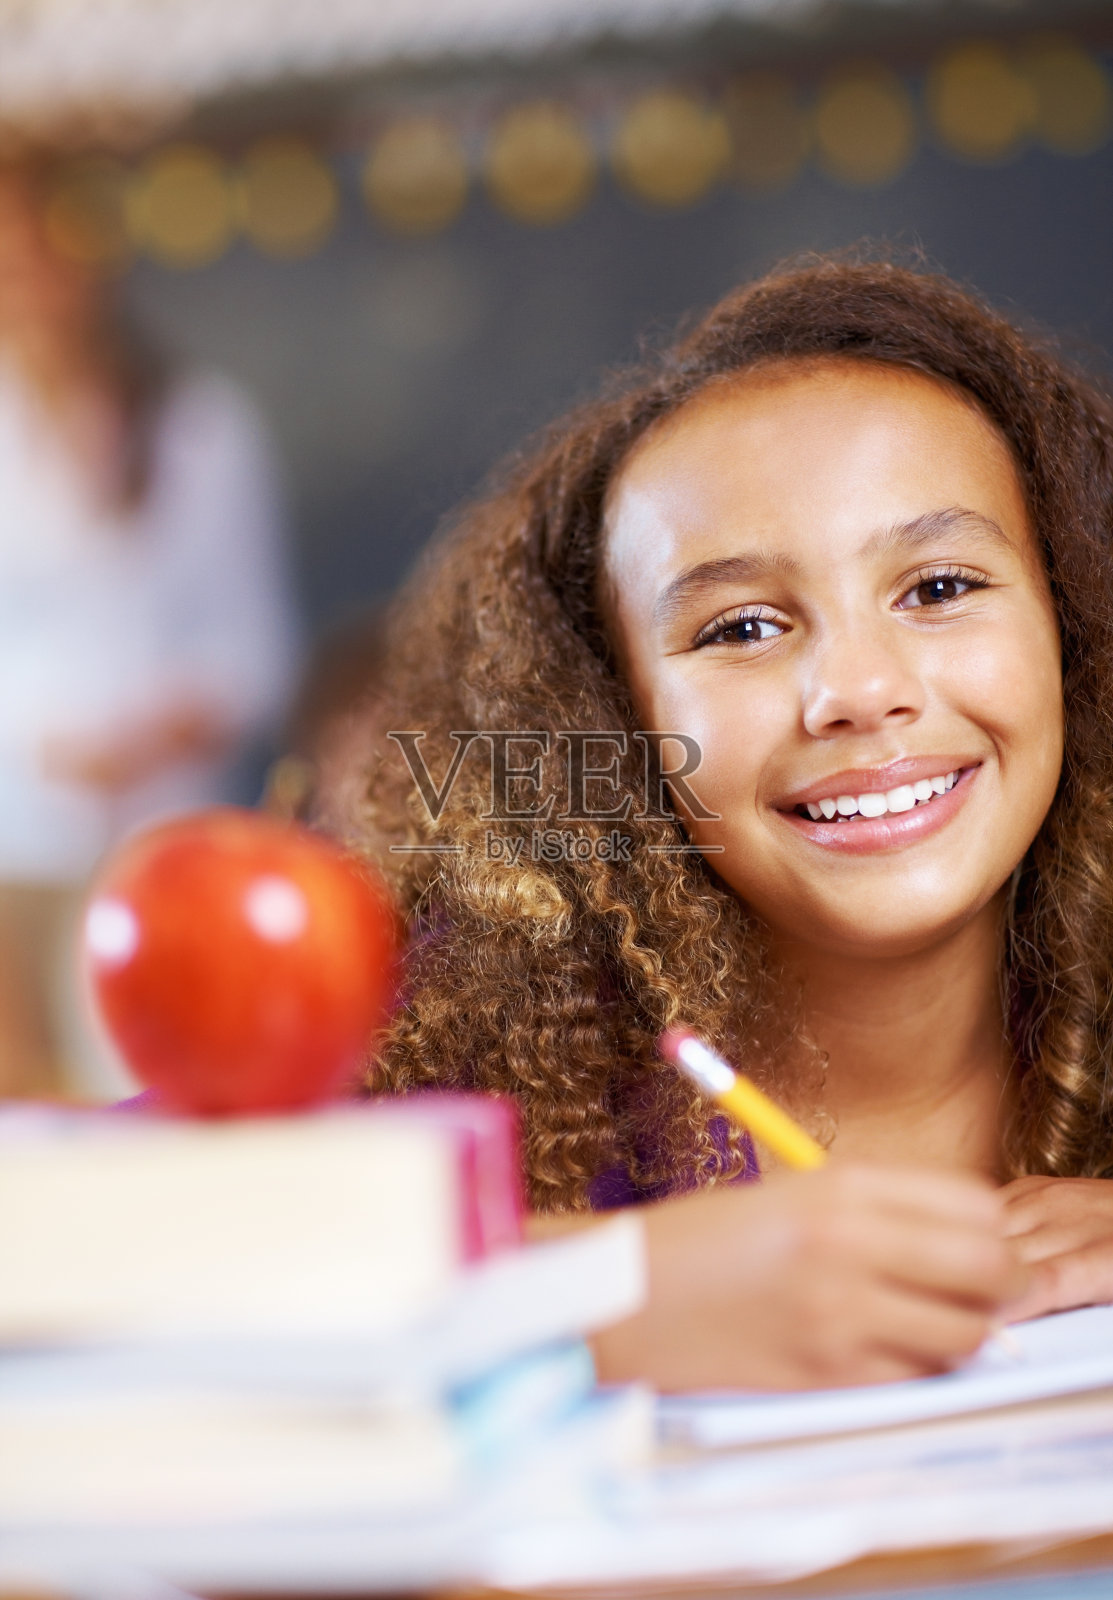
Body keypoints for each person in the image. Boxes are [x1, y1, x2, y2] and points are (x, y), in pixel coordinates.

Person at [341, 256, 1113, 1391]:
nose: (858, 691)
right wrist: (611, 1290)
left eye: (940, 588)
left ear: (1074, 627)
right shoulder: (474, 1032)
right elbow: (102, 1246)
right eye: (743, 628)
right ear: (616, 720)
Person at [0, 150, 300, 1098]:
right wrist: (47, 744)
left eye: (39, 247)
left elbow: (255, 647)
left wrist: (158, 731)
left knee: (157, 1088)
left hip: (169, 841)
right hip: (16, 838)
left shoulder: (198, 428)